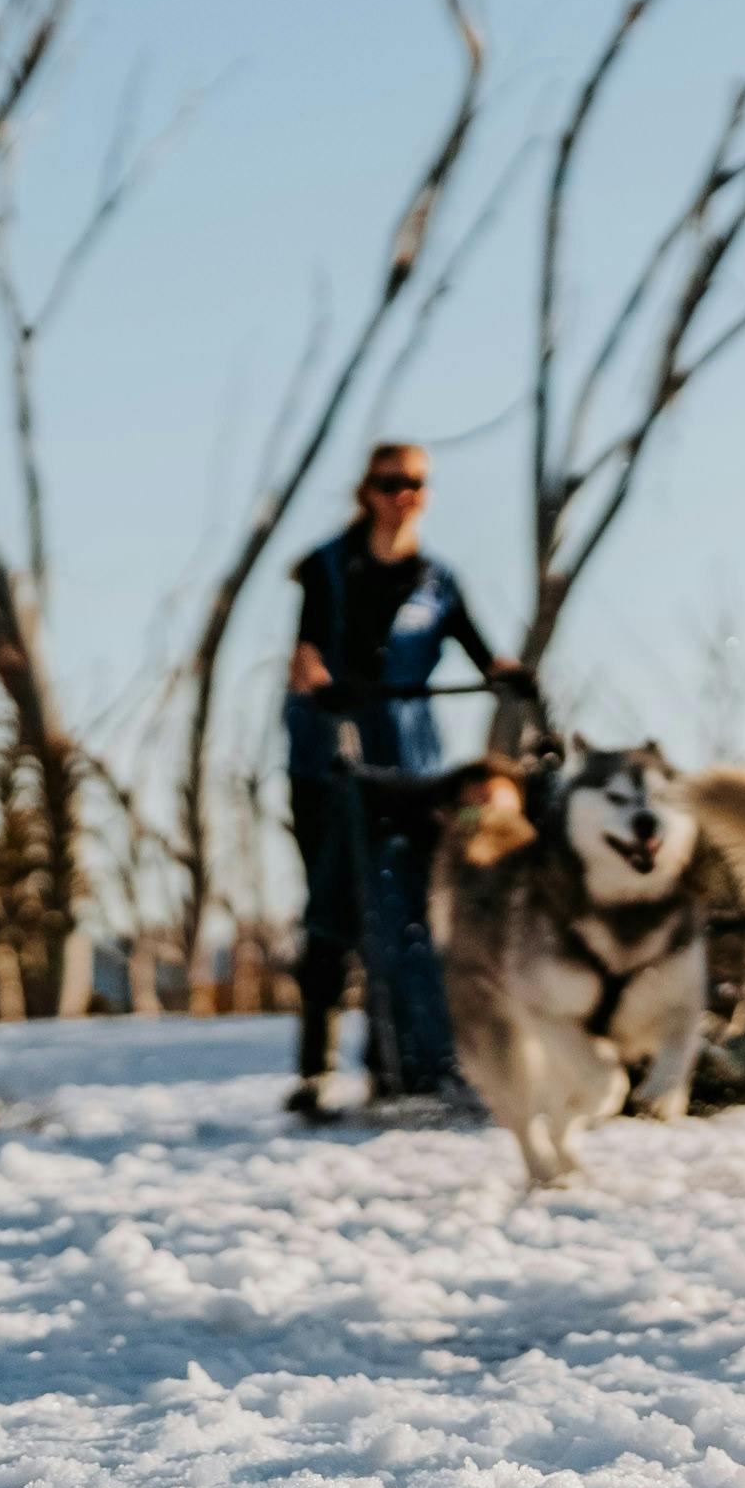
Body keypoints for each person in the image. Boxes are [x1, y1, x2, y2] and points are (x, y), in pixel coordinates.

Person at [282, 442, 528, 1116]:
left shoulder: (437, 581)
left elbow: (483, 650)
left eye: (416, 482)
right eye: (391, 482)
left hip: (413, 765)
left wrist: (510, 678)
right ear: (367, 489)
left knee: (419, 908)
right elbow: (304, 654)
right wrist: (323, 689)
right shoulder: (328, 569)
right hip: (332, 763)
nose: (404, 494)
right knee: (334, 910)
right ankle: (315, 1070)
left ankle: (424, 1056)